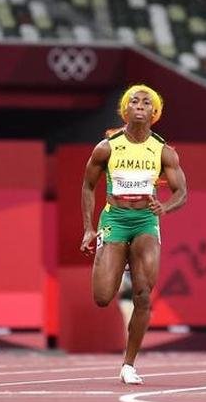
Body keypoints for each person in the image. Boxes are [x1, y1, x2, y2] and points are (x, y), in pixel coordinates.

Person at [79, 84, 188, 385]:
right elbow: (88, 186)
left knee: (143, 295)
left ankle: (129, 364)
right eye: (134, 101)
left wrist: (164, 206)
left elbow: (182, 191)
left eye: (147, 102)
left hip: (145, 222)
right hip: (115, 218)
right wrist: (89, 228)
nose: (140, 105)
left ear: (155, 113)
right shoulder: (107, 147)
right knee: (102, 297)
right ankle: (117, 257)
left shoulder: (163, 150)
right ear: (125, 109)